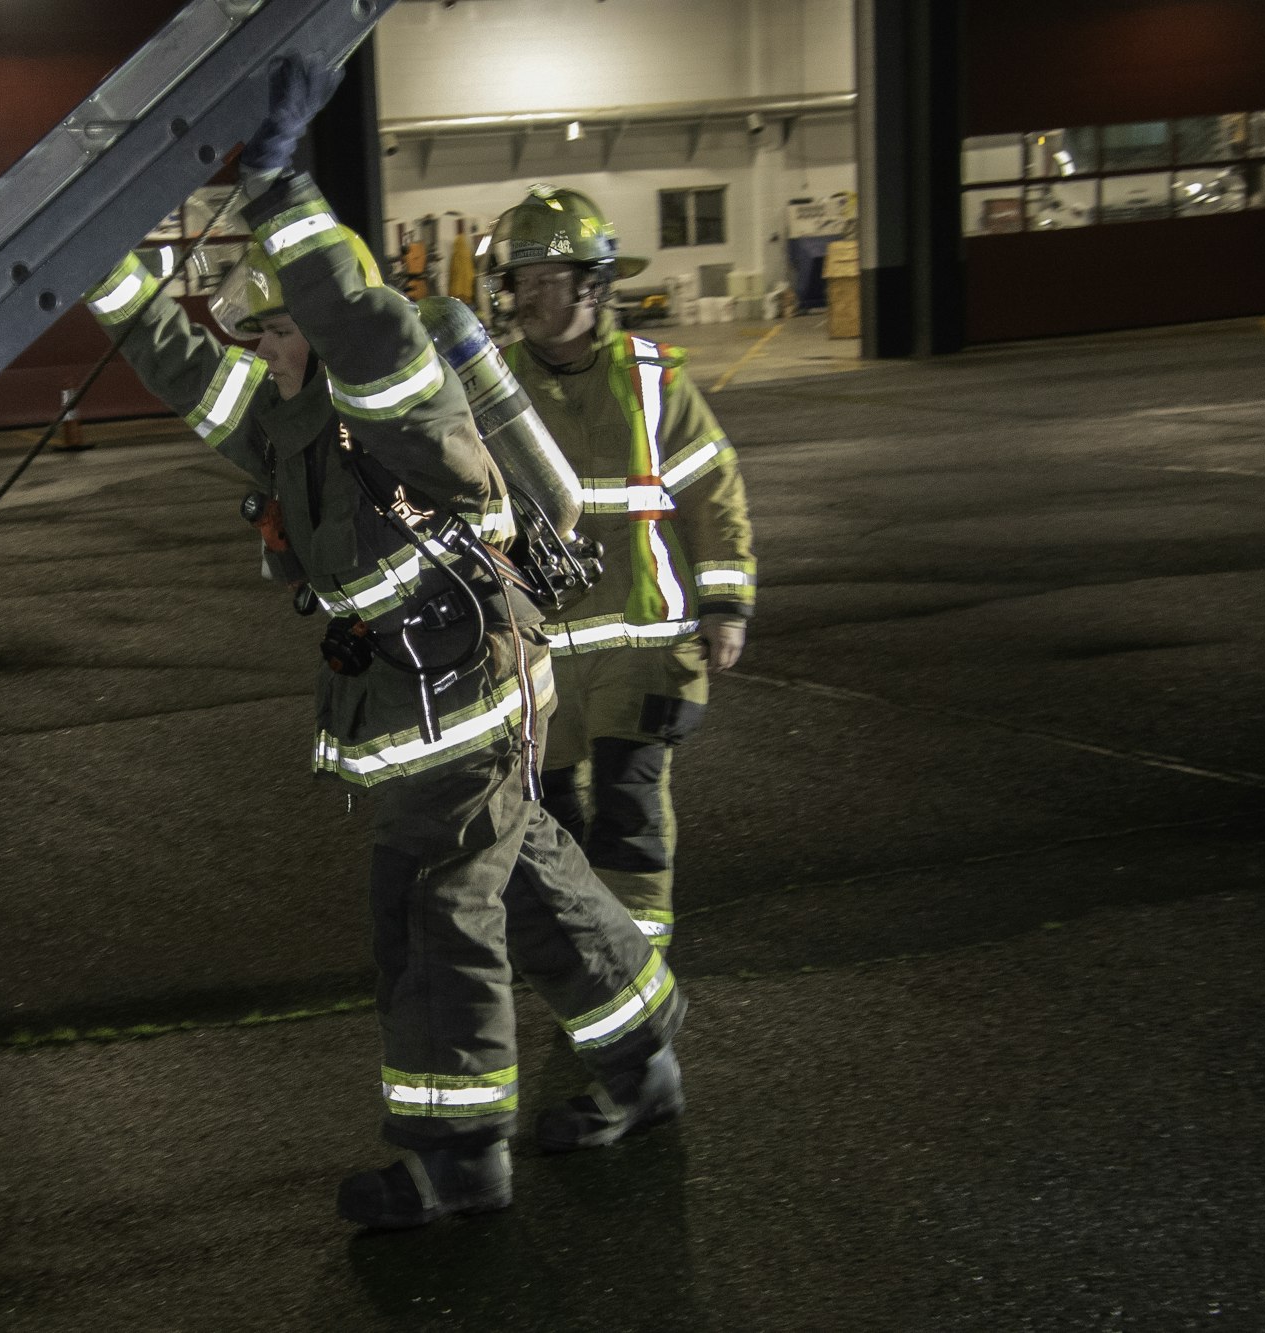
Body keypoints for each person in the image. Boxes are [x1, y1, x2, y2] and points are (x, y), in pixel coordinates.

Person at [83, 64, 685, 1229]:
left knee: (431, 910)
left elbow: (360, 316)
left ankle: (457, 1156)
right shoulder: (287, 421)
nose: (253, 348)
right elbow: (183, 370)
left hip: (469, 699)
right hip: (429, 700)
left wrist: (275, 186)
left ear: (307, 324)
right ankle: (643, 1044)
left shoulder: (397, 404)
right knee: (528, 889)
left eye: (267, 327)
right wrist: (102, 274)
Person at [487, 186, 758, 953]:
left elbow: (713, 486)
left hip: (646, 647)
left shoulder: (652, 376)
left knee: (630, 810)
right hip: (540, 657)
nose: (530, 299)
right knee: (555, 824)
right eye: (521, 283)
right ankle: (588, 968)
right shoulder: (489, 386)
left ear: (593, 285)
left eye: (549, 281)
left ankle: (635, 977)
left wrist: (726, 603)